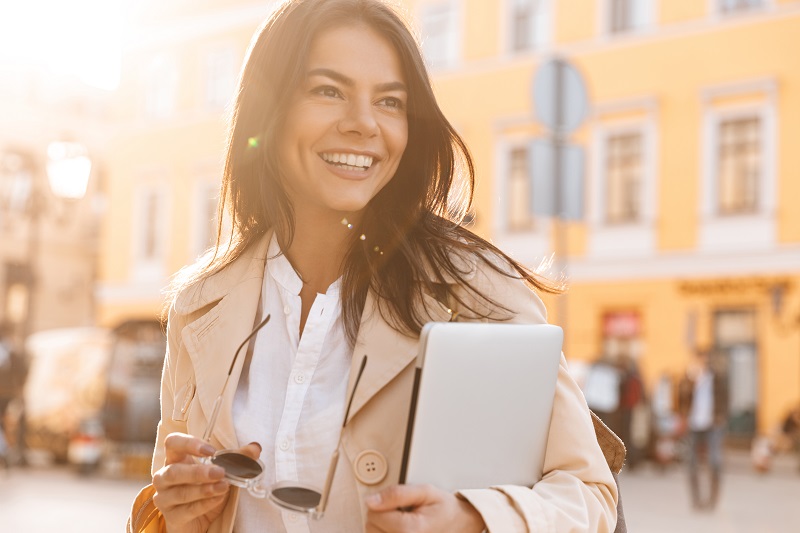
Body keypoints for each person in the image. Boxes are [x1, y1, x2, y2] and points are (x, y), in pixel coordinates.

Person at [130, 1, 623, 531]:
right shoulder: (201, 306)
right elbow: (173, 488)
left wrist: (469, 520)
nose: (364, 124)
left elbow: (590, 496)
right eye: (328, 90)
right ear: (267, 110)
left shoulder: (480, 289)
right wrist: (175, 512)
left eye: (390, 101)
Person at [677, 348, 729, 511]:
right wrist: (691, 382)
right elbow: (680, 399)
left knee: (714, 461)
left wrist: (720, 416)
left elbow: (726, 398)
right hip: (694, 424)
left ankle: (713, 499)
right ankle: (696, 500)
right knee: (691, 463)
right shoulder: (688, 379)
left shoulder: (717, 378)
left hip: (713, 424)